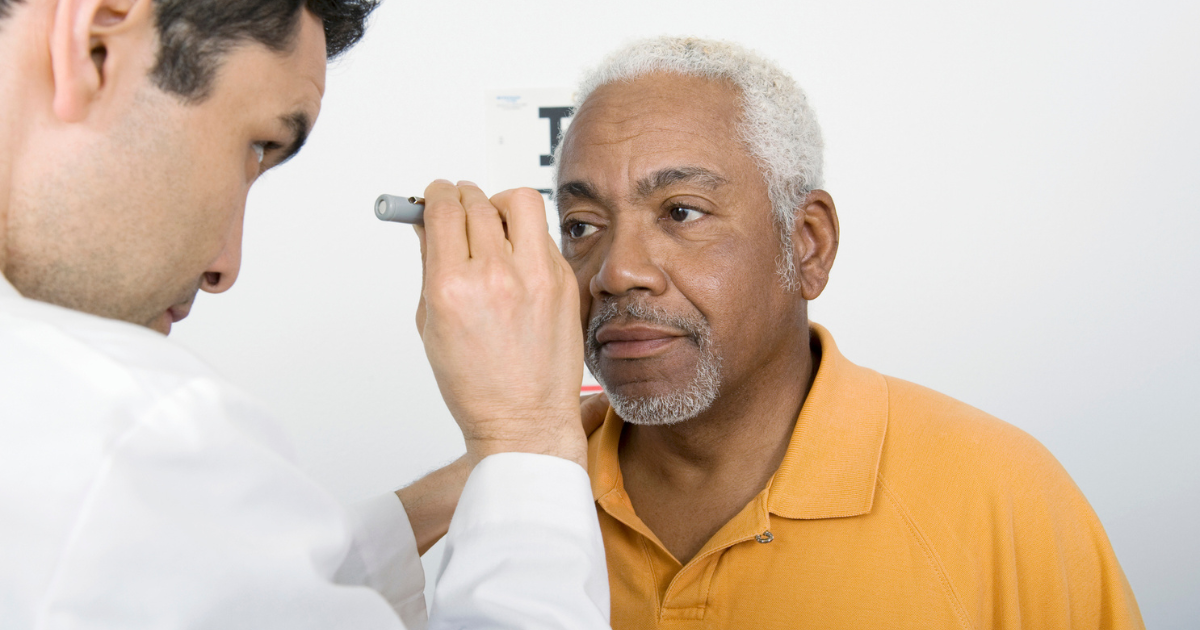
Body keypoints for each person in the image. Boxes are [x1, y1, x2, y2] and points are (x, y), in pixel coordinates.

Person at [0, 1, 608, 628]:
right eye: (255, 145)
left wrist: (483, 475)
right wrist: (528, 435)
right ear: (96, 42)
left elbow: (226, 587)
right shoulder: (119, 433)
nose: (224, 266)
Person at [548, 36, 1145, 629]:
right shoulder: (526, 496)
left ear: (808, 244)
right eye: (581, 225)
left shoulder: (1002, 493)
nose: (616, 271)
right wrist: (501, 469)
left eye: (682, 212)